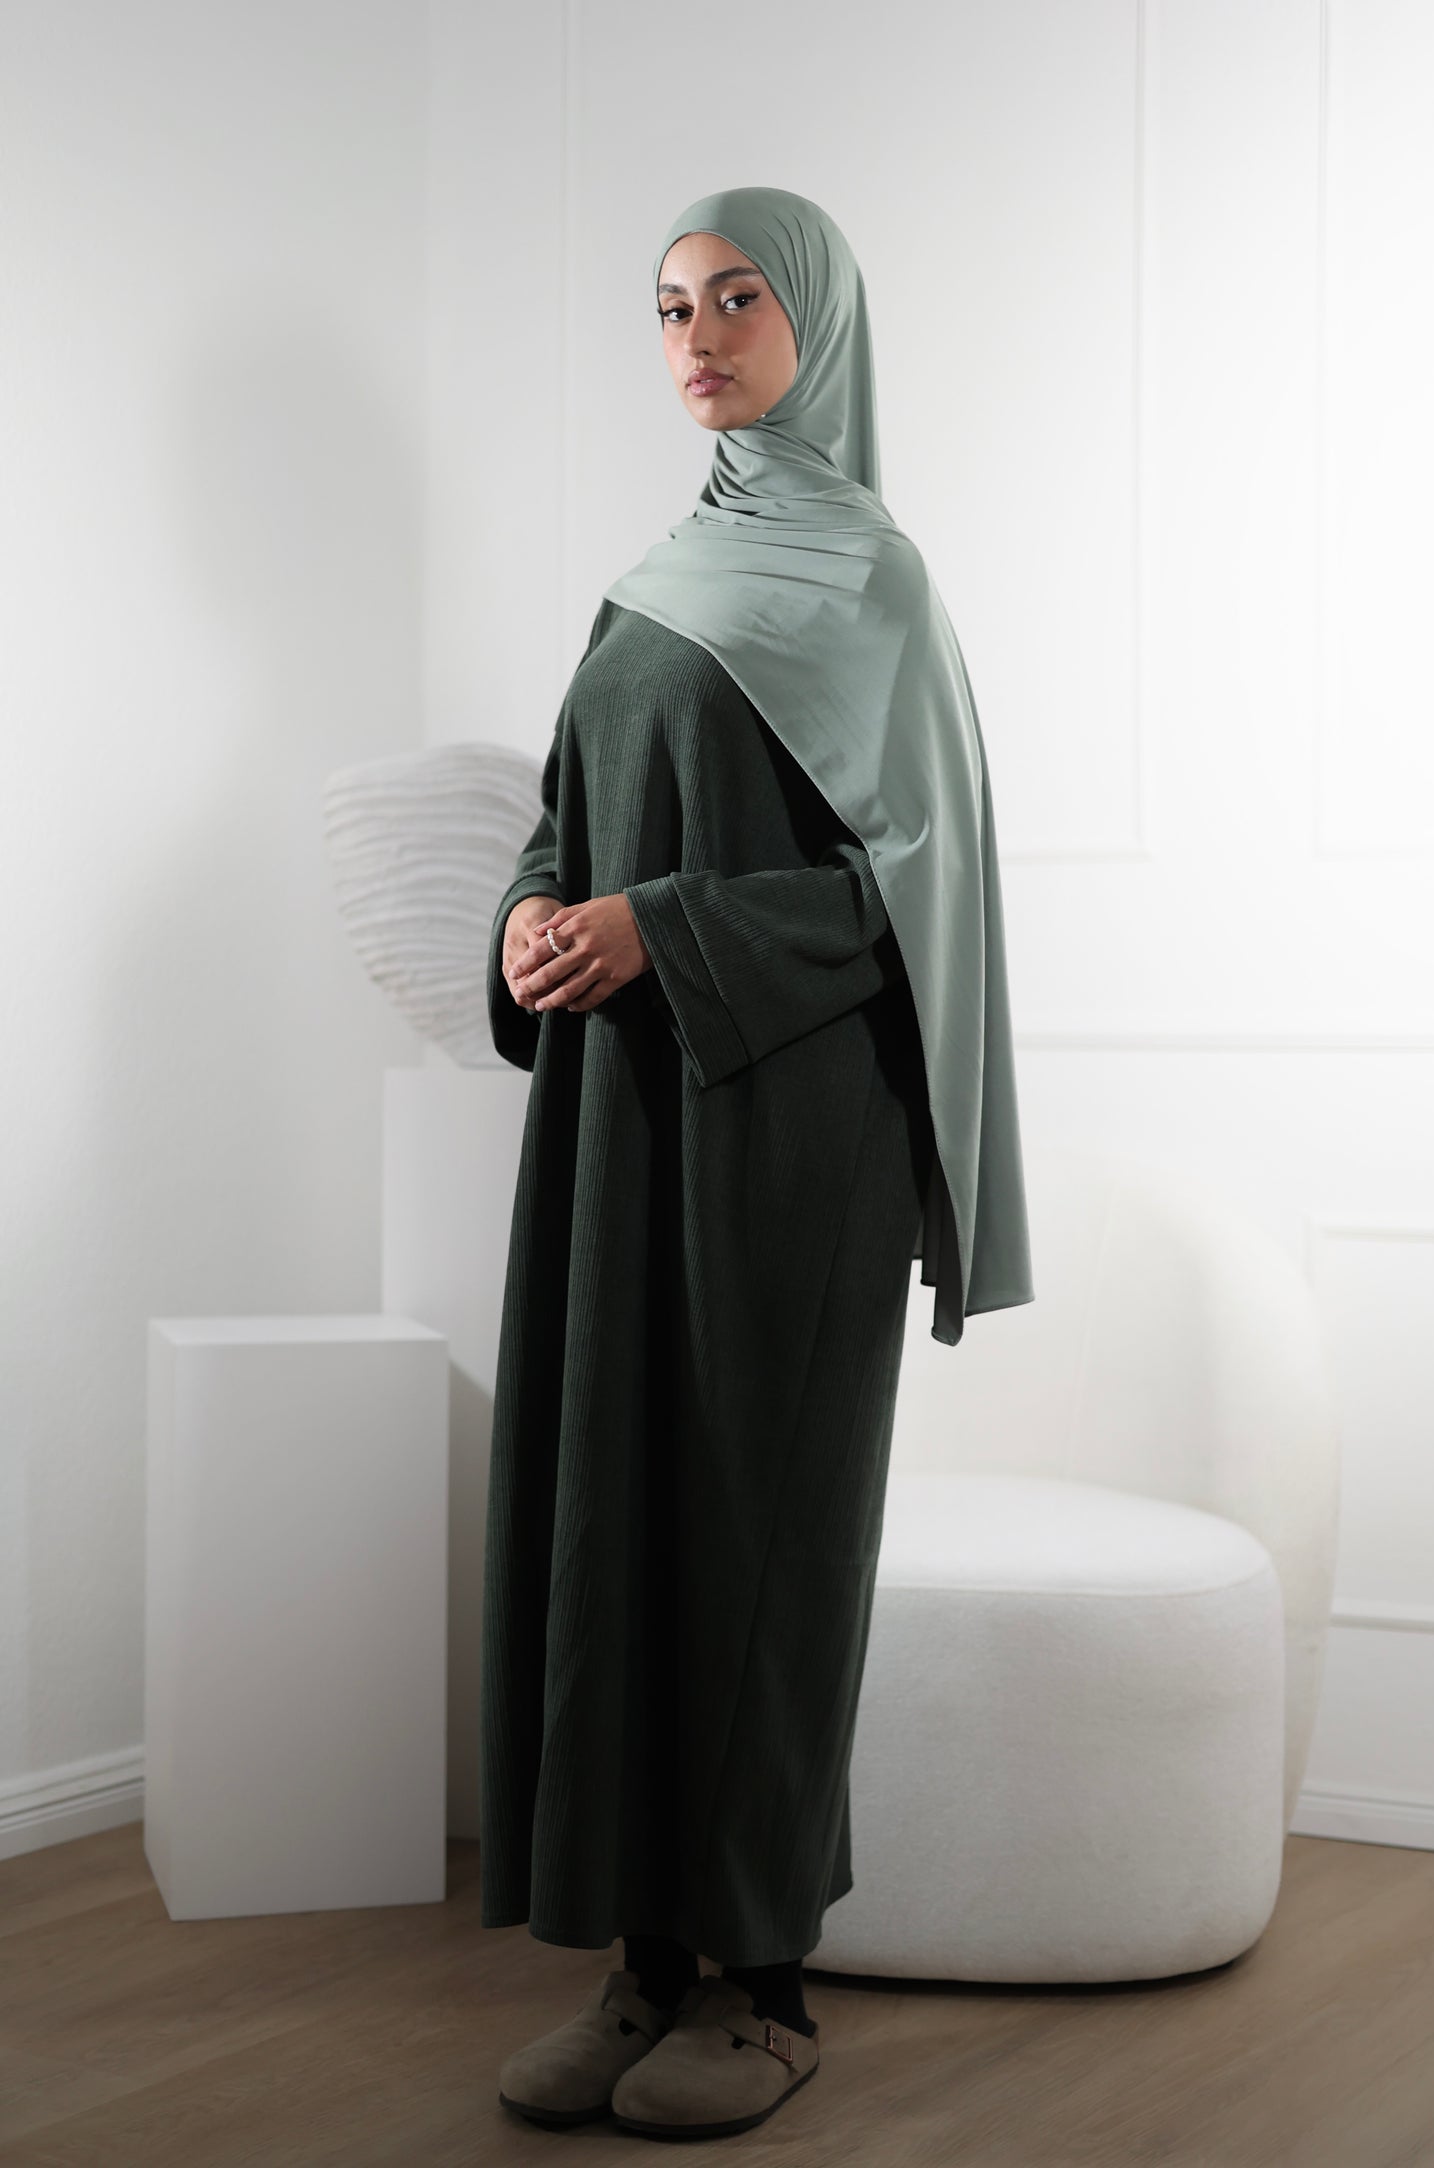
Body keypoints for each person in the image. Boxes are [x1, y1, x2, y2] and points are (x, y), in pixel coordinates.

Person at [481, 185, 1033, 2144]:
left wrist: (662, 928)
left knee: (759, 1537)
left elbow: (911, 906)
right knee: (615, 1517)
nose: (697, 338)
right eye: (667, 309)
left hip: (796, 1139)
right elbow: (567, 819)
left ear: (818, 322)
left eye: (735, 300)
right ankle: (646, 1964)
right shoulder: (650, 585)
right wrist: (535, 915)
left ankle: (767, 1986)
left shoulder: (872, 585)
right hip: (621, 1119)